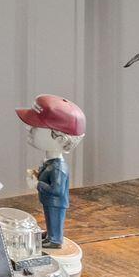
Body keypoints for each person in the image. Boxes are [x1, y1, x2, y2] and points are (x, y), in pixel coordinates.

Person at [18, 95, 86, 249]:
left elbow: (57, 190)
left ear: (60, 139)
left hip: (56, 203)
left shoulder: (58, 168)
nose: (29, 128)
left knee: (55, 218)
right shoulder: (50, 162)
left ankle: (55, 239)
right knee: (50, 218)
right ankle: (50, 234)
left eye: (36, 126)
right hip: (49, 200)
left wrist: (37, 183)